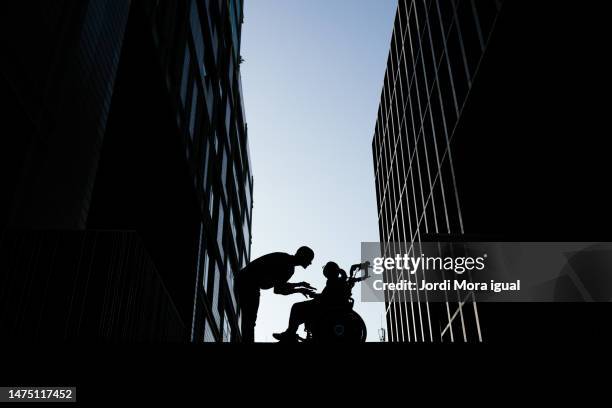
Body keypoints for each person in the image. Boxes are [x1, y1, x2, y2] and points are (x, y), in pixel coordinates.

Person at [272, 261, 369, 342]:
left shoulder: (335, 282)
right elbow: (327, 296)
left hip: (326, 307)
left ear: (329, 272)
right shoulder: (340, 281)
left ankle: (290, 334)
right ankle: (291, 333)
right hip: (328, 305)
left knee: (297, 307)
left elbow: (327, 298)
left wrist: (314, 295)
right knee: (301, 307)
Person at [235, 246, 316, 343]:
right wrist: (299, 289)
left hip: (248, 281)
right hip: (248, 282)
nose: (310, 263)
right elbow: (279, 290)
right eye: (310, 259)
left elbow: (279, 287)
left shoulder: (287, 262)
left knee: (249, 319)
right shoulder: (287, 266)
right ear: (303, 255)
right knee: (250, 319)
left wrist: (300, 287)